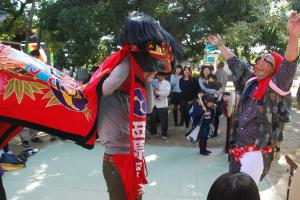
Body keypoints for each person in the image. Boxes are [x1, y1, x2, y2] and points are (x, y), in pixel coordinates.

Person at [97, 11, 183, 200]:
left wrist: (146, 81)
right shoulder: (110, 92)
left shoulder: (132, 93)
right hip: (115, 161)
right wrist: (129, 63)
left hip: (133, 157)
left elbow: (148, 109)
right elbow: (105, 87)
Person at [208, 11, 300, 180]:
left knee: (244, 189)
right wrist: (221, 46)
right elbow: (236, 63)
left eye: (267, 62)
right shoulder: (251, 81)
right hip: (238, 146)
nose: (260, 63)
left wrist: (293, 37)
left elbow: (288, 65)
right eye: (259, 60)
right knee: (232, 186)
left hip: (257, 151)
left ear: (275, 70)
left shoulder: (277, 86)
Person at [149, 73, 171, 140]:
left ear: (163, 76)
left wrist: (157, 93)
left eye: (161, 75)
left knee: (163, 120)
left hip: (162, 105)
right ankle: (153, 132)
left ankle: (164, 134)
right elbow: (150, 91)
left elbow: (167, 93)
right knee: (152, 119)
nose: (159, 77)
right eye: (158, 75)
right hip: (153, 104)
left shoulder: (166, 83)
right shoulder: (153, 81)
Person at [179, 66, 199, 130]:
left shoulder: (194, 79)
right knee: (184, 114)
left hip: (192, 100)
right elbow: (182, 89)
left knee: (192, 114)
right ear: (183, 71)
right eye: (185, 70)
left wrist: (194, 99)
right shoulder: (181, 79)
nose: (186, 71)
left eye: (188, 70)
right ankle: (187, 127)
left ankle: (193, 127)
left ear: (190, 71)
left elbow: (197, 90)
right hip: (183, 100)